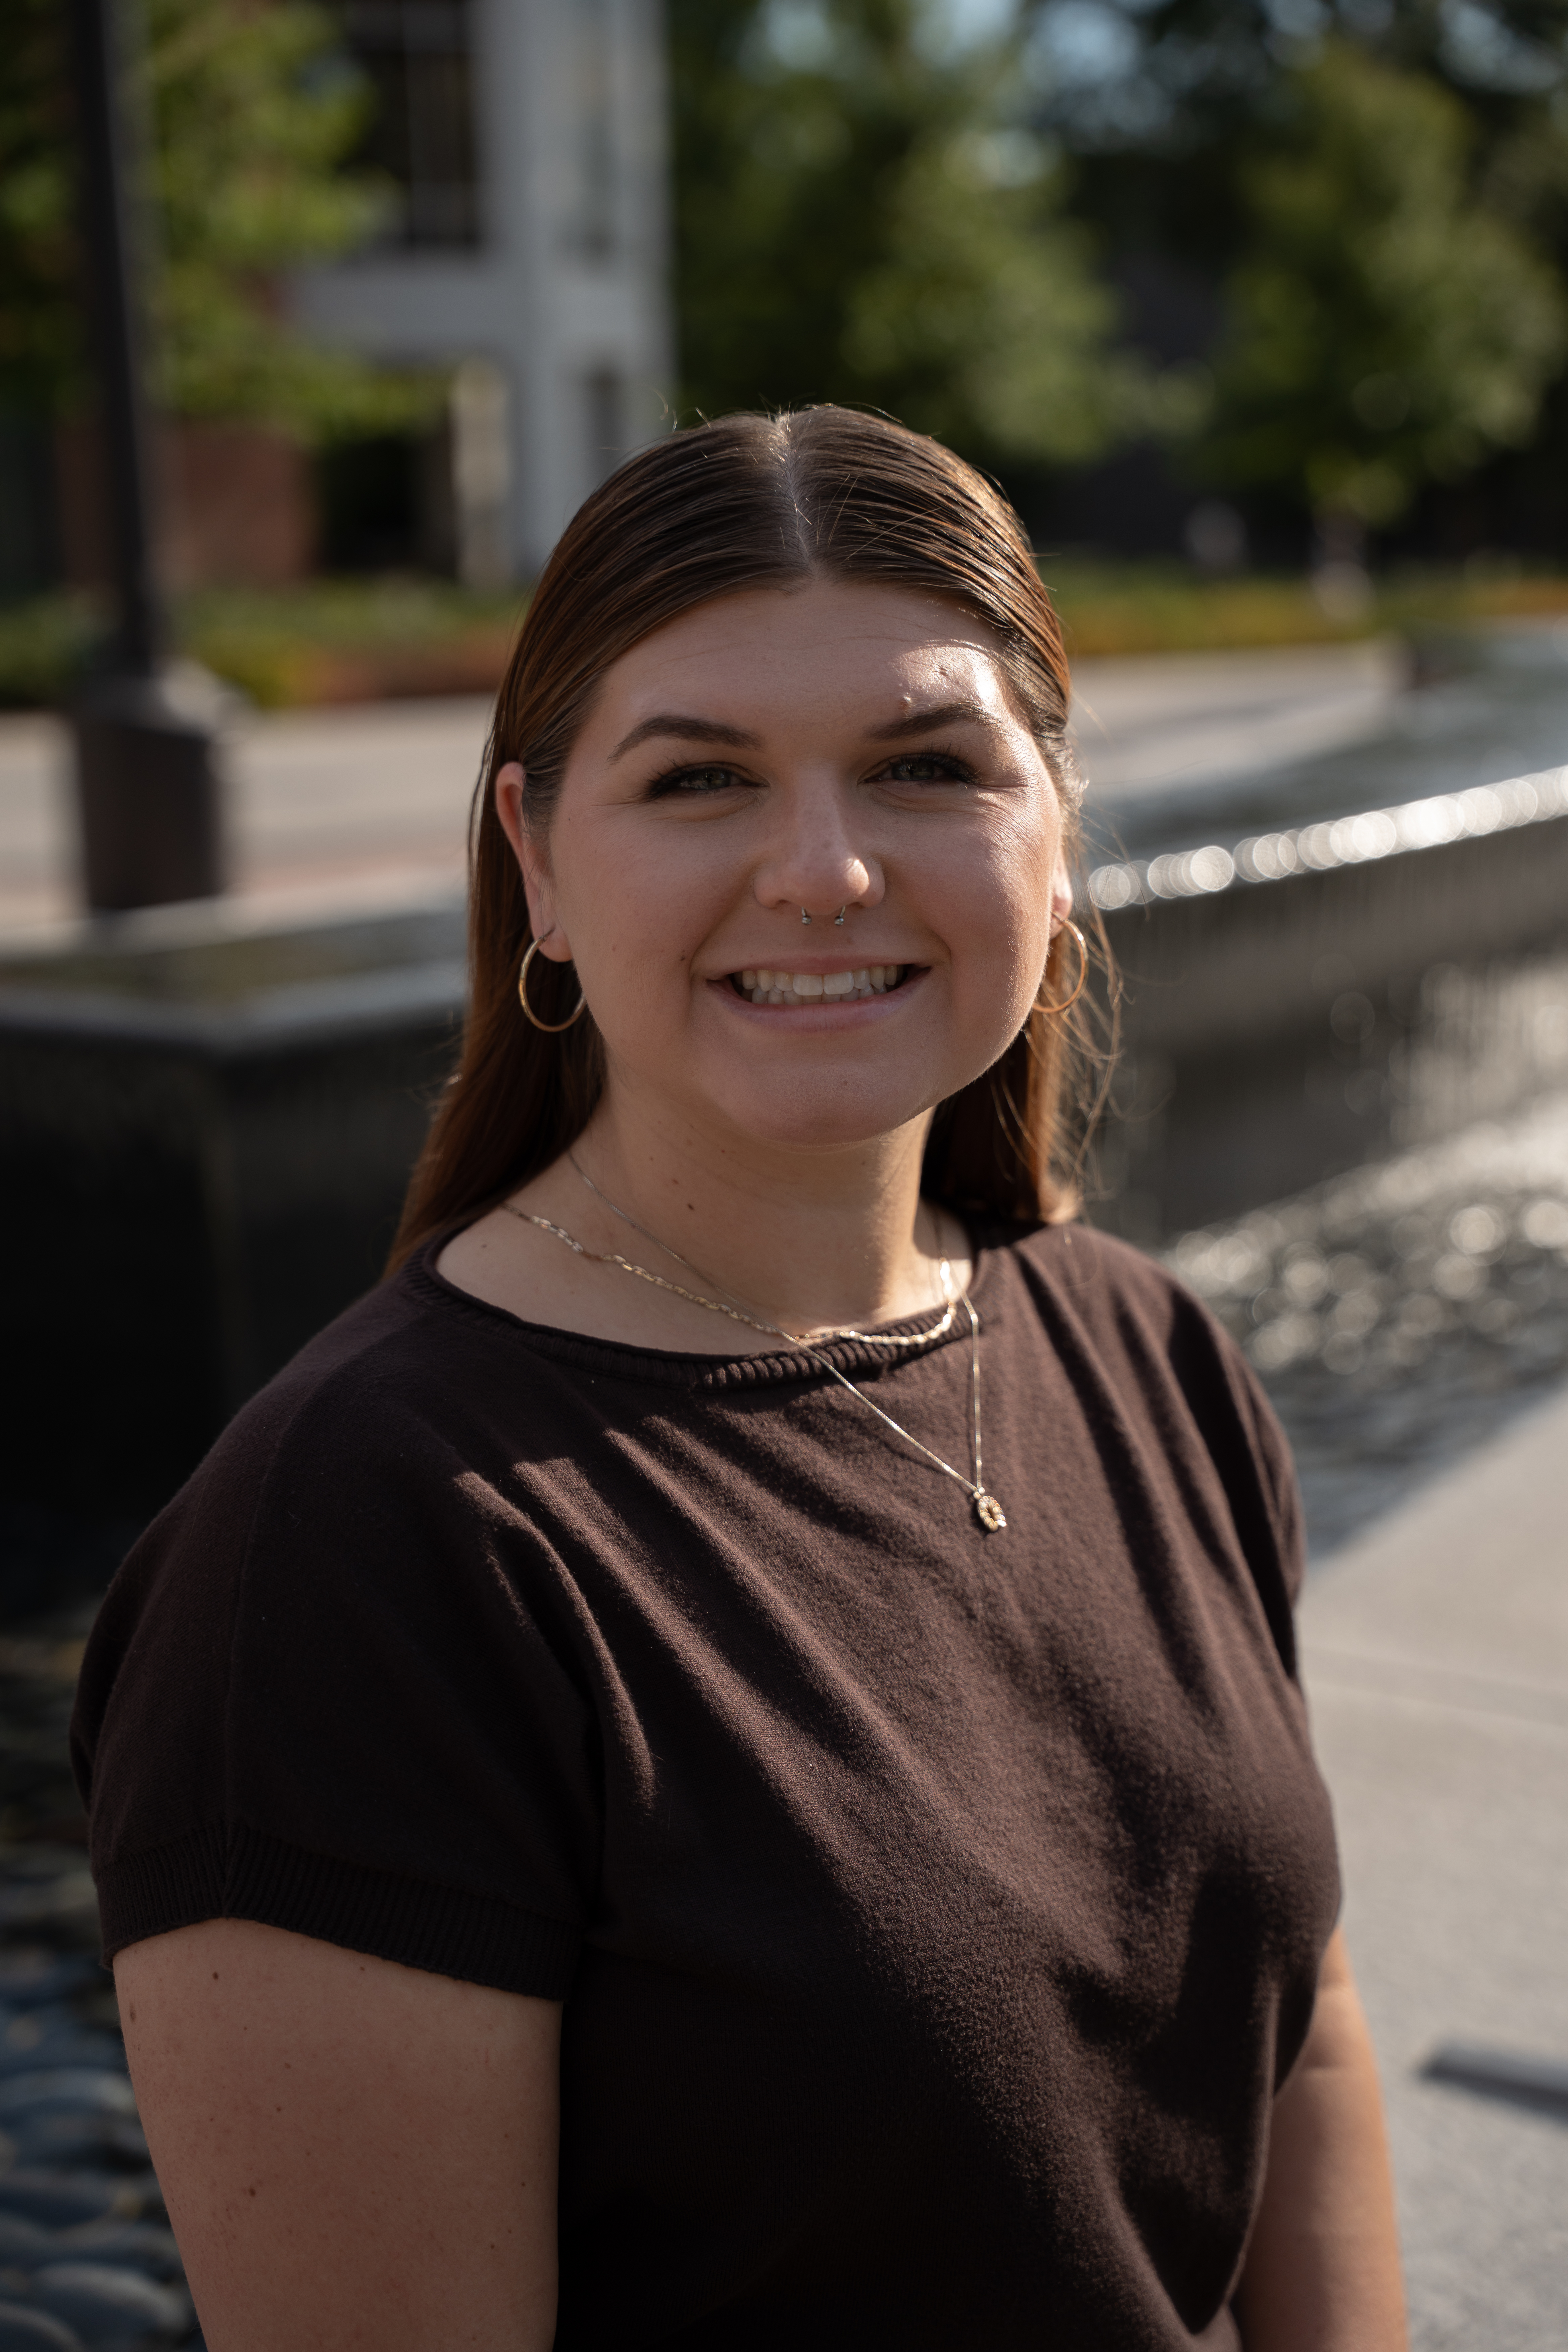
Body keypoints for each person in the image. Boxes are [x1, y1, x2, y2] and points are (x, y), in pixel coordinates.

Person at [71, 407, 1406, 2352]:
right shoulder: (355, 1552)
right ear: (537, 859)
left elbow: (1307, 2045)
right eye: (698, 778)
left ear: (1055, 825)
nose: (824, 871)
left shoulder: (1148, 1347)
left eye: (924, 765)